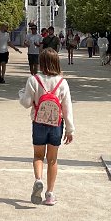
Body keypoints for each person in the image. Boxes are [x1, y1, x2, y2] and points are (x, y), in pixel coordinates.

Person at [18, 48, 74, 206]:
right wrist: (70, 129)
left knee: (38, 156)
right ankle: (50, 194)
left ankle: (38, 179)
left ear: (41, 63)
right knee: (52, 159)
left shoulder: (33, 79)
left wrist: (21, 94)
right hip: (56, 124)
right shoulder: (62, 82)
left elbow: (26, 103)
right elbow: (67, 108)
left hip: (38, 123)